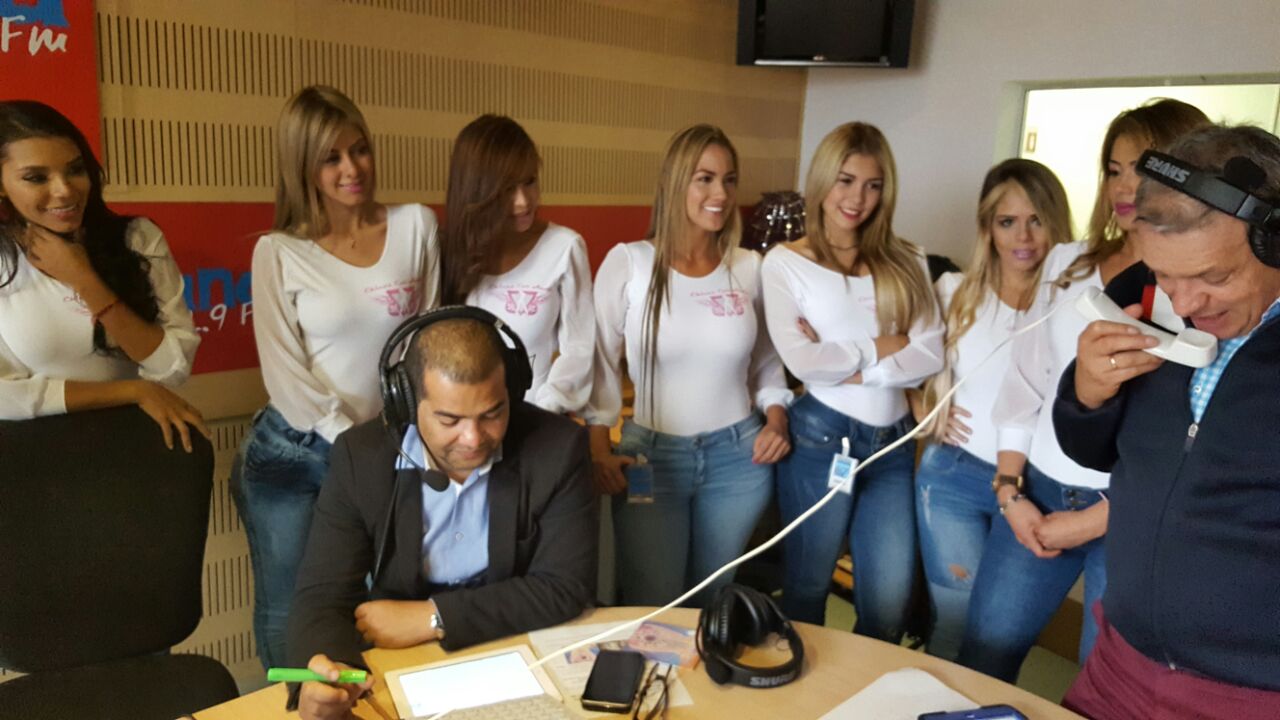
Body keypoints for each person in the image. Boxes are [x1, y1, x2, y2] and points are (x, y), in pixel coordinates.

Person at [972, 99, 1210, 681]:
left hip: (1132, 519)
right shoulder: (1068, 263)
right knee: (982, 657)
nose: (1125, 187)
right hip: (1037, 494)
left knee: (1103, 684)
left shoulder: (1205, 293)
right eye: (1114, 170)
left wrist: (1095, 521)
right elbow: (1025, 381)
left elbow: (1193, 438)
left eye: (1144, 169)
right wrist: (1009, 490)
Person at [1054, 124, 1280, 720]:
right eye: (1166, 274)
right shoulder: (1143, 301)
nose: (1184, 304)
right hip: (1118, 663)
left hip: (1251, 695)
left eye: (1214, 277)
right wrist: (1088, 392)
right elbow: (1092, 451)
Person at [287, 311, 597, 720]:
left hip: (515, 649)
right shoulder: (360, 457)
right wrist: (327, 673)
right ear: (407, 401)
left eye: (493, 413)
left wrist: (435, 617)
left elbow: (564, 586)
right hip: (404, 662)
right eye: (449, 420)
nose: (473, 438)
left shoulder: (558, 447)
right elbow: (322, 596)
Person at [232, 85, 440, 670]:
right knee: (291, 608)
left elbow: (428, 340)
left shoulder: (416, 225)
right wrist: (354, 443)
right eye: (331, 158)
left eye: (360, 149)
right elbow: (284, 374)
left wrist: (394, 440)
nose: (352, 169)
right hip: (295, 451)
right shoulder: (278, 252)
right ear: (304, 166)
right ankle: (295, 703)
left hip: (387, 447)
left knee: (380, 604)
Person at [586, 124, 792, 608]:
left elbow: (766, 363)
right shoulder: (630, 263)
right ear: (675, 182)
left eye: (729, 180)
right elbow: (600, 367)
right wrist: (597, 449)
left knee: (713, 600)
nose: (720, 194)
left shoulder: (748, 267)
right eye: (705, 179)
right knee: (653, 604)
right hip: (652, 459)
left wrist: (777, 420)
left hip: (738, 459)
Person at [762, 121, 943, 639]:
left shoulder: (907, 258)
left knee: (888, 603)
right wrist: (884, 344)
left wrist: (854, 366)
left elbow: (930, 352)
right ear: (822, 180)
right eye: (845, 181)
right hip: (821, 439)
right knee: (807, 589)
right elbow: (804, 363)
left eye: (873, 185)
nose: (857, 199)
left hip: (893, 445)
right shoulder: (785, 263)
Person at [912, 159, 1071, 661]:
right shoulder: (953, 293)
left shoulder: (1074, 303)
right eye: (1007, 222)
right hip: (952, 479)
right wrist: (923, 407)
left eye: (1036, 220)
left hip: (1035, 489)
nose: (1023, 237)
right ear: (987, 229)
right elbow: (905, 368)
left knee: (1001, 638)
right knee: (954, 621)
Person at [0, 100, 205, 449]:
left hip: (134, 444)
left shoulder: (137, 238)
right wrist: (132, 391)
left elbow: (173, 367)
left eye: (75, 169)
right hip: (35, 455)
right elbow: (6, 396)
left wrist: (84, 279)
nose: (65, 190)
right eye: (36, 177)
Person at [441, 114, 593, 414]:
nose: (523, 201)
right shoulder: (450, 250)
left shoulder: (564, 247)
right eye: (507, 188)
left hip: (535, 418)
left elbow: (579, 348)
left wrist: (545, 410)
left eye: (530, 181)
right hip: (464, 423)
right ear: (477, 191)